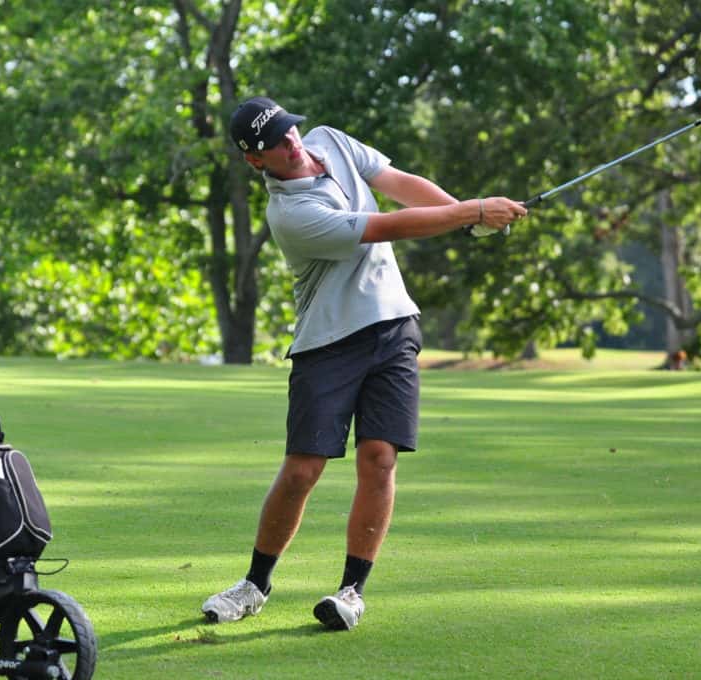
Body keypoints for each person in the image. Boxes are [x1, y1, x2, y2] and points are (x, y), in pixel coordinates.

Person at [201, 96, 526, 631]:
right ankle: (255, 584)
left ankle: (351, 591)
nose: (291, 142)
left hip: (394, 327)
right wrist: (472, 212)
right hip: (328, 342)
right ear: (255, 160)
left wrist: (468, 217)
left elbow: (400, 183)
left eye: (289, 129)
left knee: (379, 458)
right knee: (302, 470)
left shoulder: (330, 139)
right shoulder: (290, 216)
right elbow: (388, 226)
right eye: (275, 142)